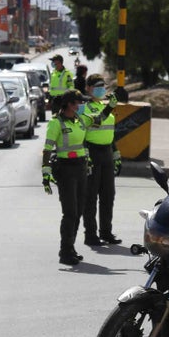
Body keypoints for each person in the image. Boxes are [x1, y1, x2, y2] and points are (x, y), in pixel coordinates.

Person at [42, 89, 119, 265]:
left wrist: (110, 107)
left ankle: (70, 248)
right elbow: (47, 149)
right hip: (65, 170)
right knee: (70, 212)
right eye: (79, 103)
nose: (82, 105)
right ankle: (64, 251)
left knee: (78, 211)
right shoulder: (56, 123)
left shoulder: (81, 120)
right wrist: (46, 172)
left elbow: (99, 119)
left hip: (81, 168)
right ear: (70, 104)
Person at [81, 74, 121, 247]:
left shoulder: (104, 107)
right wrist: (109, 108)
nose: (100, 89)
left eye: (102, 86)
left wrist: (116, 154)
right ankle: (90, 234)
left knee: (108, 195)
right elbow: (95, 123)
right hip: (92, 152)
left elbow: (109, 133)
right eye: (96, 86)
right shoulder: (84, 108)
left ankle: (106, 232)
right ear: (88, 88)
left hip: (106, 153)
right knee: (91, 196)